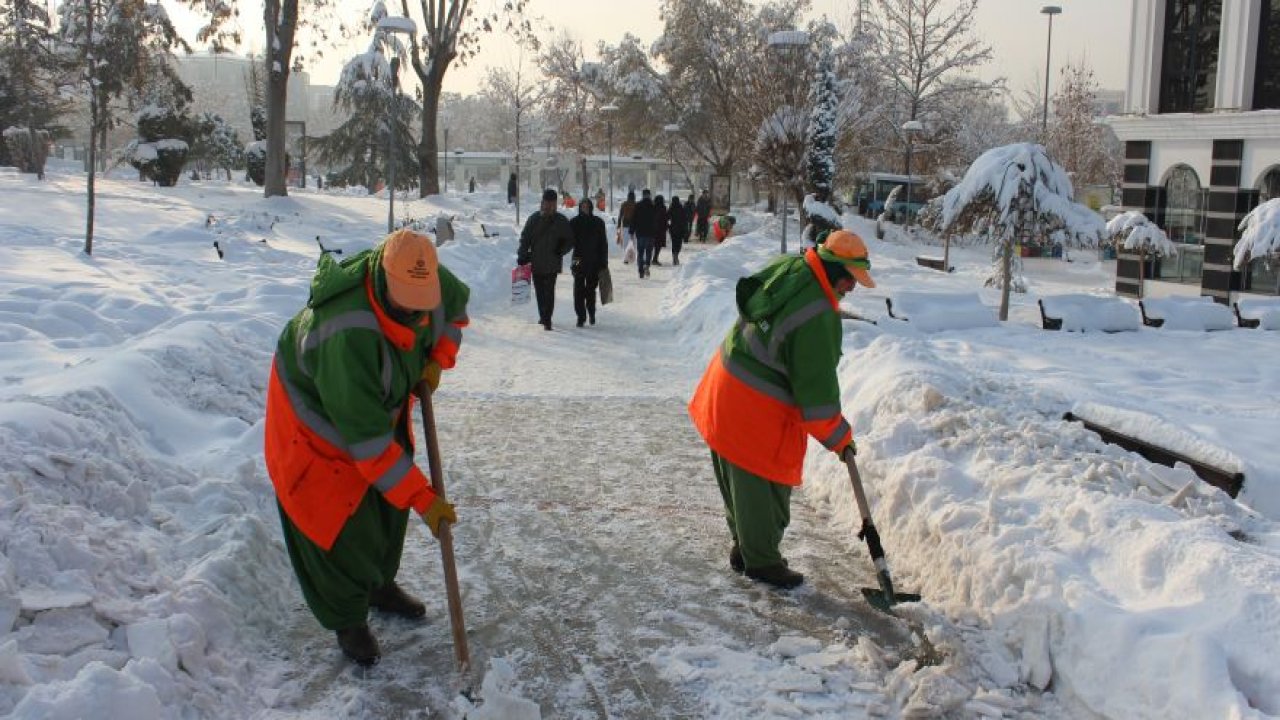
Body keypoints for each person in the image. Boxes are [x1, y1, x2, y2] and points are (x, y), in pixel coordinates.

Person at [264, 229, 469, 666]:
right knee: (339, 525)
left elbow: (455, 314)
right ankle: (348, 620)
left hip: (375, 410)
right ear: (384, 281)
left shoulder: (425, 275)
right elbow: (370, 445)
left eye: (422, 302)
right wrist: (424, 499)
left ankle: (379, 586)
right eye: (406, 304)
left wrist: (437, 361)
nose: (417, 311)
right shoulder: (346, 330)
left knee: (385, 510)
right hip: (316, 427)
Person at [688, 230, 876, 590]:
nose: (851, 287)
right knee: (764, 487)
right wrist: (841, 439)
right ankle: (762, 563)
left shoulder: (790, 267)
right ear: (835, 268)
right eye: (850, 278)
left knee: (738, 481)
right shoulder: (818, 313)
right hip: (753, 408)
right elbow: (817, 399)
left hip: (723, 388)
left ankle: (745, 548)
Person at [518, 188, 575, 330]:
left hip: (552, 263)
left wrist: (561, 250)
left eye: (552, 203)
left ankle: (547, 318)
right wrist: (522, 255)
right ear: (542, 202)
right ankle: (543, 315)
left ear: (556, 204)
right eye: (546, 202)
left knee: (549, 291)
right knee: (539, 291)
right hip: (536, 262)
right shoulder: (534, 219)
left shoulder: (561, 221)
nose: (549, 206)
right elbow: (525, 238)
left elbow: (570, 240)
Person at [570, 196, 609, 327]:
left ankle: (591, 312)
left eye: (587, 206)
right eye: (583, 207)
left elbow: (603, 244)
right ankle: (580, 316)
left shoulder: (598, 223)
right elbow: (566, 240)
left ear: (591, 208)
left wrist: (604, 262)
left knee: (590, 290)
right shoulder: (574, 222)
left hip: (594, 261)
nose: (585, 209)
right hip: (577, 259)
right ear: (580, 208)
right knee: (578, 290)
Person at [631, 189, 657, 279]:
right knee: (649, 251)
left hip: (640, 233)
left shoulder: (638, 205)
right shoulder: (653, 206)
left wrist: (632, 231)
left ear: (642, 195)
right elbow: (656, 220)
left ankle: (640, 270)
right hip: (651, 233)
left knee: (641, 252)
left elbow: (634, 219)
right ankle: (647, 265)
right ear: (649, 195)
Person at [668, 196, 688, 266]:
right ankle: (676, 255)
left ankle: (674, 256)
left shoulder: (671, 208)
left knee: (674, 243)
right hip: (680, 229)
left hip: (673, 229)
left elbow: (667, 218)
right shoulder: (681, 208)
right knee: (679, 244)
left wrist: (669, 226)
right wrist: (685, 229)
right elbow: (685, 219)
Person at [652, 194, 668, 266]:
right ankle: (655, 258)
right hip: (661, 230)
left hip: (652, 229)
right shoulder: (663, 208)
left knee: (651, 244)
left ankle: (649, 258)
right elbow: (665, 218)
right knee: (658, 246)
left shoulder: (652, 207)